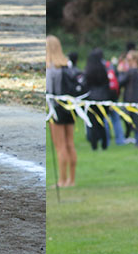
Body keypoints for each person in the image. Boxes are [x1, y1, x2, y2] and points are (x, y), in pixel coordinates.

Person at [46, 35, 78, 187]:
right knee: (70, 143)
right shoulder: (67, 64)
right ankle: (71, 179)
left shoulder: (50, 68)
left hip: (56, 108)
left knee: (60, 146)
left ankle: (62, 180)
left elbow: (49, 91)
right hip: (70, 107)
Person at [84, 48, 110, 150]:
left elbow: (86, 85)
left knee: (93, 123)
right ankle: (104, 144)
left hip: (92, 99)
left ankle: (94, 145)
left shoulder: (88, 70)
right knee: (102, 122)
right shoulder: (103, 70)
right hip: (103, 98)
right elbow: (107, 84)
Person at [120, 50, 138, 147]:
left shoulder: (131, 72)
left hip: (131, 100)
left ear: (134, 60)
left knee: (135, 123)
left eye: (128, 59)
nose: (127, 61)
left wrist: (121, 71)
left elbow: (120, 82)